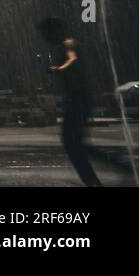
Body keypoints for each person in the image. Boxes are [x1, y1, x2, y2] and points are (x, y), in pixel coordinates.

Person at [39, 17, 102, 186]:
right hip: (78, 100)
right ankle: (104, 173)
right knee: (76, 144)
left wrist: (58, 69)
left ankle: (95, 180)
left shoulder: (68, 43)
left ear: (55, 31)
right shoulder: (64, 45)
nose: (45, 38)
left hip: (79, 100)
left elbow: (72, 60)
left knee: (71, 143)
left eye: (46, 34)